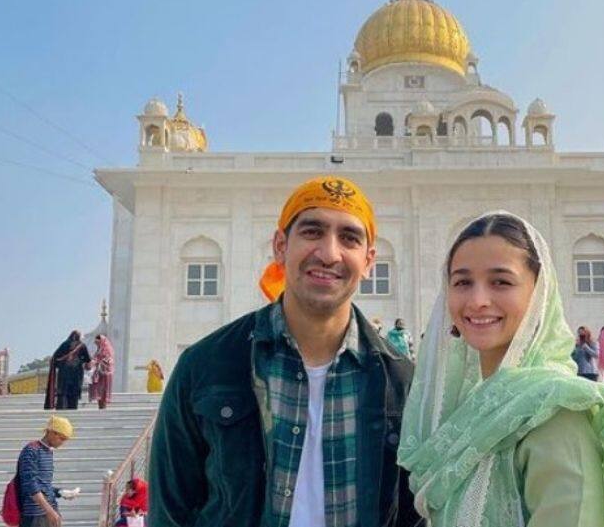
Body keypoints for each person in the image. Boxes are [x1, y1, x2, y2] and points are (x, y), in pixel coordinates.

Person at [149, 176, 420, 527]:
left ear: (368, 261)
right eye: (312, 232)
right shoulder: (207, 366)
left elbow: (415, 515)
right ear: (280, 246)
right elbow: (171, 509)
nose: (329, 253)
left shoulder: (402, 382)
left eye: (349, 238)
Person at [398, 211, 604, 527]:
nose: (478, 299)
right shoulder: (474, 406)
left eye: (501, 282)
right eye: (463, 282)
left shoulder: (554, 415)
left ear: (539, 296)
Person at [17, 416, 80, 527]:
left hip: (48, 511)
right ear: (52, 433)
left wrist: (60, 492)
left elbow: (43, 485)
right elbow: (31, 485)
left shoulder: (48, 452)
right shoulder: (31, 450)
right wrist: (49, 511)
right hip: (34, 514)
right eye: (62, 438)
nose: (62, 443)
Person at [45, 331, 91, 410]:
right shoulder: (82, 346)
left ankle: (61, 409)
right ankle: (72, 409)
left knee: (63, 392)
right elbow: (88, 360)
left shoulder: (64, 344)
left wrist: (60, 363)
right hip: (76, 373)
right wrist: (82, 361)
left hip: (64, 373)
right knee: (74, 393)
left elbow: (55, 358)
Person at [87, 335, 114, 410]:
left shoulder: (107, 350)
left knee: (103, 393)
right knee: (99, 393)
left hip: (105, 374)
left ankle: (103, 408)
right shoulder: (98, 350)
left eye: (98, 343)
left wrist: (97, 362)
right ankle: (101, 408)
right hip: (99, 374)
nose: (97, 344)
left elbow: (108, 362)